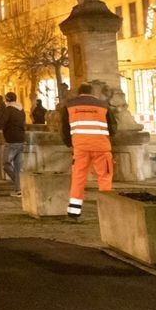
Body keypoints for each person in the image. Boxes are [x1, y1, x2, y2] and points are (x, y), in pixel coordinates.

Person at [60, 83, 116, 222]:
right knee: (104, 178)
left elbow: (65, 129)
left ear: (79, 92)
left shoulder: (69, 106)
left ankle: (74, 212)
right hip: (101, 147)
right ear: (92, 92)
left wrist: (70, 143)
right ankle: (107, 211)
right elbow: (113, 128)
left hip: (80, 147)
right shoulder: (103, 106)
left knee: (78, 178)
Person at [0, 92, 26, 196]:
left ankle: (20, 184)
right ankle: (19, 190)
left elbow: (0, 123)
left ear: (7, 99)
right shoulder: (21, 110)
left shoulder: (8, 110)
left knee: (5, 163)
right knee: (18, 166)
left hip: (11, 140)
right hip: (21, 139)